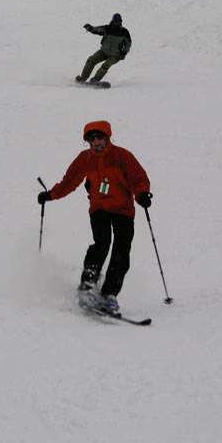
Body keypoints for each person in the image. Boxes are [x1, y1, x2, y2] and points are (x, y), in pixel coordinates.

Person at [37, 120, 152, 314]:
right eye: (92, 138)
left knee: (121, 251)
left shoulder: (122, 156)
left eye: (100, 137)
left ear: (107, 138)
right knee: (101, 243)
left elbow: (138, 178)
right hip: (99, 209)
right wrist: (51, 194)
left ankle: (109, 295)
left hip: (123, 211)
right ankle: (87, 285)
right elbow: (69, 181)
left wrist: (141, 194)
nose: (96, 141)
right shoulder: (85, 159)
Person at [75, 14, 132, 83]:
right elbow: (97, 30)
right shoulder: (107, 28)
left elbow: (128, 43)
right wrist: (90, 28)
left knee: (106, 65)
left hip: (115, 55)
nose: (117, 22)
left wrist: (124, 52)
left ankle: (95, 79)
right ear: (113, 21)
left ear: (121, 21)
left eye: (119, 21)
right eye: (115, 21)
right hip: (103, 52)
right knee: (91, 60)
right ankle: (83, 78)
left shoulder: (124, 32)